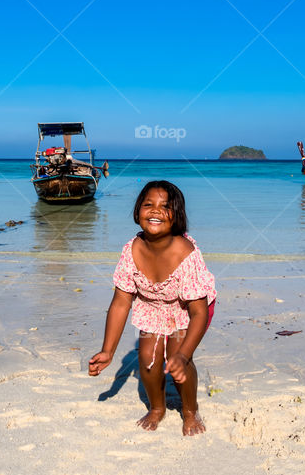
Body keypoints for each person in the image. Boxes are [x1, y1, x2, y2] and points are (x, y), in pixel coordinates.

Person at [88, 180, 216, 436]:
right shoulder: (131, 250)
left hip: (189, 307)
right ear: (137, 212)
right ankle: (157, 408)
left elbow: (199, 312)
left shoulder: (186, 254)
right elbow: (121, 302)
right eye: (148, 205)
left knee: (178, 356)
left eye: (165, 207)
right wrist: (108, 350)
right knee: (147, 359)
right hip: (152, 304)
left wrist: (182, 355)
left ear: (177, 217)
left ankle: (190, 410)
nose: (156, 210)